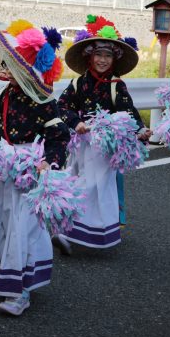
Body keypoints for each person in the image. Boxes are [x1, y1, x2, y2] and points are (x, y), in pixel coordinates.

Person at [0, 21, 70, 316]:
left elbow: (58, 137)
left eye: (13, 64)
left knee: (25, 227)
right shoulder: (1, 97)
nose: (6, 68)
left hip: (30, 171)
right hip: (6, 170)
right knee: (5, 222)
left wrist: (47, 162)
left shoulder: (43, 100)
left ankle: (21, 290)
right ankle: (6, 279)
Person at [57, 15, 149, 254]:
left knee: (94, 186)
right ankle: (68, 228)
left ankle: (71, 232)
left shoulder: (116, 85)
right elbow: (63, 106)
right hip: (80, 143)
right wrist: (75, 122)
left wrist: (140, 130)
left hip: (104, 145)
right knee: (75, 181)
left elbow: (129, 112)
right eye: (98, 55)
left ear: (114, 60)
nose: (102, 60)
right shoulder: (78, 83)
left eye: (108, 56)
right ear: (89, 56)